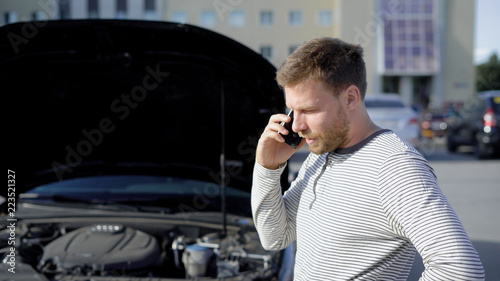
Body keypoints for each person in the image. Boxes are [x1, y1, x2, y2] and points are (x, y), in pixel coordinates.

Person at [251, 37, 485, 280]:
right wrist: (268, 168)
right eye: (292, 110)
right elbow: (275, 237)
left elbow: (459, 269)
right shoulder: (321, 156)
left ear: (350, 98)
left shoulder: (395, 167)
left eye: (309, 110)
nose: (297, 125)